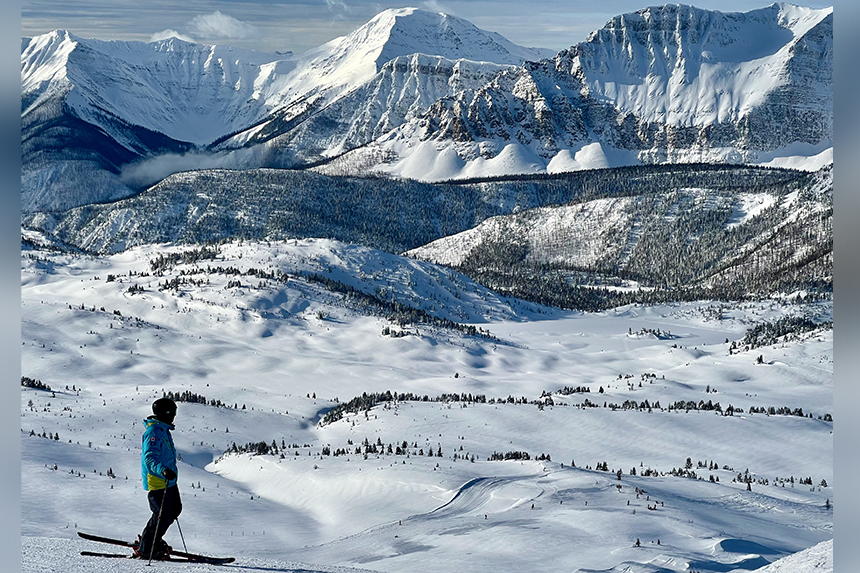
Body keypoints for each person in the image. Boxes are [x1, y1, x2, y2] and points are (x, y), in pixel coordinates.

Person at [134, 397, 181, 560]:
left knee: (175, 510)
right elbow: (150, 458)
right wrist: (163, 470)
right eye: (173, 412)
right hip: (158, 480)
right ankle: (147, 547)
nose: (174, 416)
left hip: (169, 481)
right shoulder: (153, 432)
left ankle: (155, 539)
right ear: (166, 413)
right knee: (161, 516)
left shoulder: (163, 430)